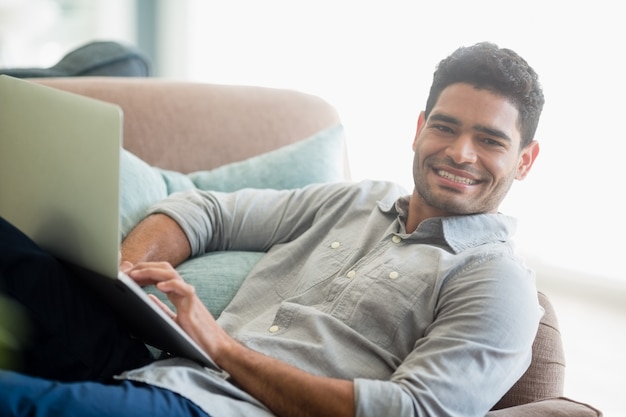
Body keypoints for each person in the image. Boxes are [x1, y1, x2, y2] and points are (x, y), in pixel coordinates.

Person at [0, 41, 545, 417]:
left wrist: (221, 349)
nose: (460, 153)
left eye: (491, 140)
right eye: (445, 127)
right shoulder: (362, 200)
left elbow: (412, 410)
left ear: (525, 160)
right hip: (158, 363)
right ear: (420, 129)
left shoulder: (497, 282)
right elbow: (207, 212)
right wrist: (126, 272)